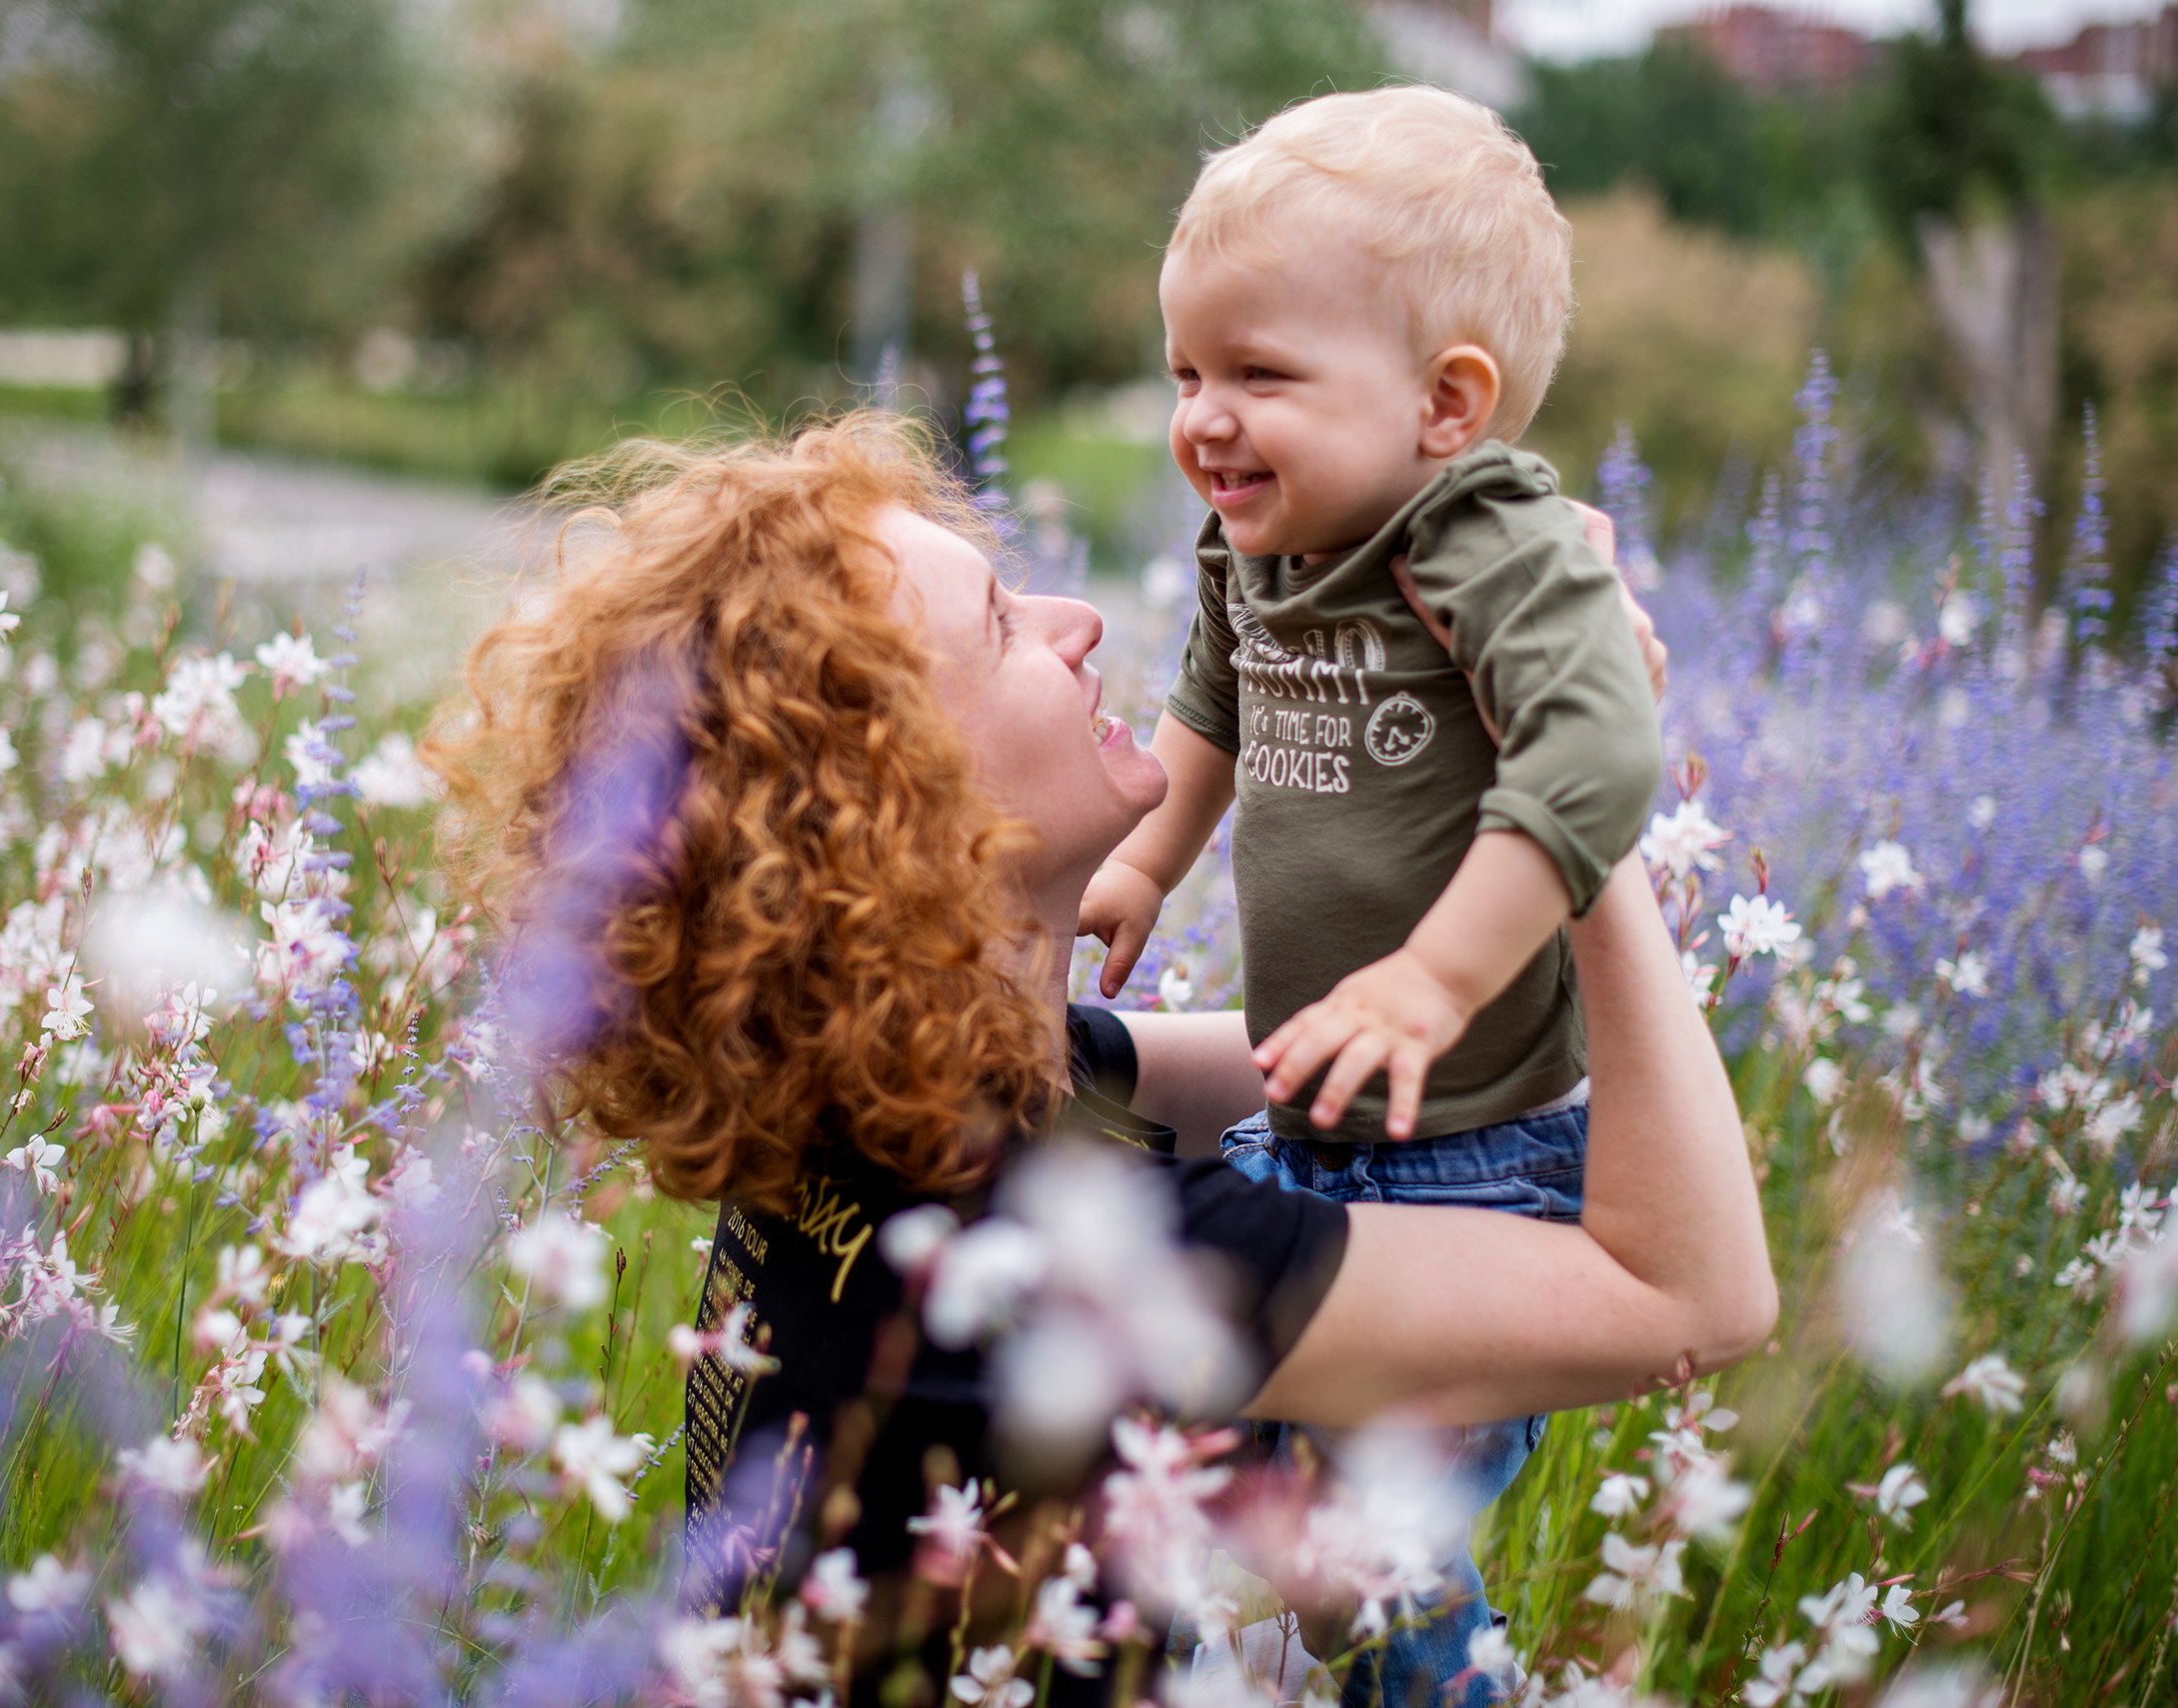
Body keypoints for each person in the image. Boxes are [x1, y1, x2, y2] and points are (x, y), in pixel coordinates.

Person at [428, 415, 1771, 1708]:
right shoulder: (1074, 1266)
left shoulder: (904, 1127)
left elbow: (1370, 1064)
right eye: (1005, 625)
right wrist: (1573, 782)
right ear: (906, 817)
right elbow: (1695, 1297)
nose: (1081, 627)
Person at [1073, 87, 1666, 1696]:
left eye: (1259, 374)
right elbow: (1217, 694)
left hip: (1480, 1147)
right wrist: (1144, 858)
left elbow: (1605, 757)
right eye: (1187, 368)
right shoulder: (1254, 536)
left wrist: (1436, 977)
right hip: (1316, 1117)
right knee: (1254, 1510)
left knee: (1384, 1563)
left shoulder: (1489, 543)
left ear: (1445, 403)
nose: (1204, 417)